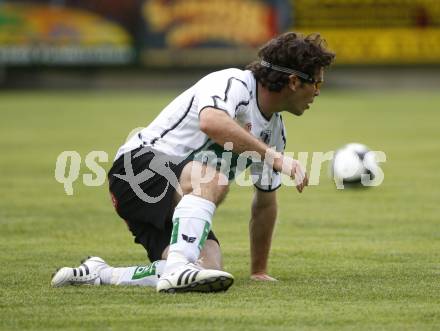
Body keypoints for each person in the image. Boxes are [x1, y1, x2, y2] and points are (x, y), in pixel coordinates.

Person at [51, 32, 335, 293]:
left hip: (174, 196)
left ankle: (100, 273)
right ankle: (178, 267)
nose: (319, 92)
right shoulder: (234, 83)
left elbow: (265, 203)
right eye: (317, 82)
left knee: (209, 272)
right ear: (295, 81)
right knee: (211, 179)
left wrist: (258, 270)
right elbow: (212, 122)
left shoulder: (274, 131)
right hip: (135, 170)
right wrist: (274, 157)